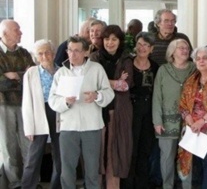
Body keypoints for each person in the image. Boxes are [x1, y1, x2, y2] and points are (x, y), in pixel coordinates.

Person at [48, 36, 115, 189]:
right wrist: (65, 102)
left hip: (91, 126)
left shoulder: (96, 69)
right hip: (68, 126)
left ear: (86, 52)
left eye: (77, 51)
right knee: (67, 170)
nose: (72, 54)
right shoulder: (61, 73)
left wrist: (97, 95)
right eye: (70, 50)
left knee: (92, 169)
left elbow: (109, 93)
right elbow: (52, 100)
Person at [88, 24, 134, 188]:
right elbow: (90, 84)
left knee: (115, 153)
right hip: (96, 111)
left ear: (120, 41)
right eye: (107, 39)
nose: (110, 43)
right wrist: (115, 82)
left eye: (114, 39)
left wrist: (103, 83)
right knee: (97, 152)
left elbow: (125, 85)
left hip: (117, 111)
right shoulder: (94, 58)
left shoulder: (126, 58)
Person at [177, 47, 207, 189]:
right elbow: (182, 105)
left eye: (205, 58)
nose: (201, 61)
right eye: (198, 58)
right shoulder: (191, 79)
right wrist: (191, 122)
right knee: (194, 165)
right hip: (192, 128)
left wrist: (202, 121)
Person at [152, 38, 195, 189]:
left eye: (187, 48)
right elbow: (157, 97)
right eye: (181, 48)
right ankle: (167, 186)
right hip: (166, 122)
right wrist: (157, 121)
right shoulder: (163, 70)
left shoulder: (194, 68)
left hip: (190, 123)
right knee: (166, 158)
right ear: (172, 52)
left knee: (187, 158)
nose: (185, 50)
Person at [120, 32, 159, 188]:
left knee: (145, 148)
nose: (142, 48)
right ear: (135, 45)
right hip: (131, 109)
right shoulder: (127, 63)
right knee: (131, 147)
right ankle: (128, 184)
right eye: (140, 44)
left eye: (146, 45)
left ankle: (142, 184)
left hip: (149, 109)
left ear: (151, 49)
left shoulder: (155, 66)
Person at [21, 40, 61, 189]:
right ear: (36, 56)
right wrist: (29, 128)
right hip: (39, 115)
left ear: (54, 54)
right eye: (40, 53)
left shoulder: (61, 71)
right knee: (34, 157)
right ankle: (27, 186)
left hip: (59, 115)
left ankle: (56, 186)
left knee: (60, 156)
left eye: (48, 52)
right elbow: (27, 102)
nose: (44, 56)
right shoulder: (31, 73)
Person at [0, 19, 35, 189]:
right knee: (8, 146)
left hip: (25, 104)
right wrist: (22, 77)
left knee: (28, 143)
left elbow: (33, 77)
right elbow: (1, 84)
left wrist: (15, 75)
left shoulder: (25, 53)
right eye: (16, 30)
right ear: (4, 33)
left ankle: (30, 182)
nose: (20, 32)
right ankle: (15, 184)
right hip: (3, 105)